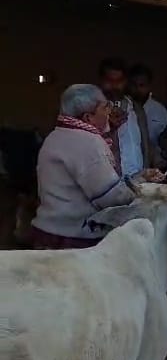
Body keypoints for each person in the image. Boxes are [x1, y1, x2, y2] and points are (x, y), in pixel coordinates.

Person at [31, 84, 135, 249]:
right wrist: (140, 186)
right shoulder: (88, 141)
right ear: (88, 117)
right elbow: (109, 198)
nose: (109, 112)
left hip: (48, 231)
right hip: (74, 239)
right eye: (105, 107)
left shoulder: (55, 136)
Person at [98, 57, 154, 176]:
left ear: (126, 81)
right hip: (110, 182)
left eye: (119, 81)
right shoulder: (93, 110)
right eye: (109, 80)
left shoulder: (137, 109)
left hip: (140, 180)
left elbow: (144, 146)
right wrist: (108, 126)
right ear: (101, 81)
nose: (114, 86)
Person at [128, 63, 167, 148]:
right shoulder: (122, 108)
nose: (138, 89)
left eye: (142, 85)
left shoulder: (160, 111)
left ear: (149, 86)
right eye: (134, 85)